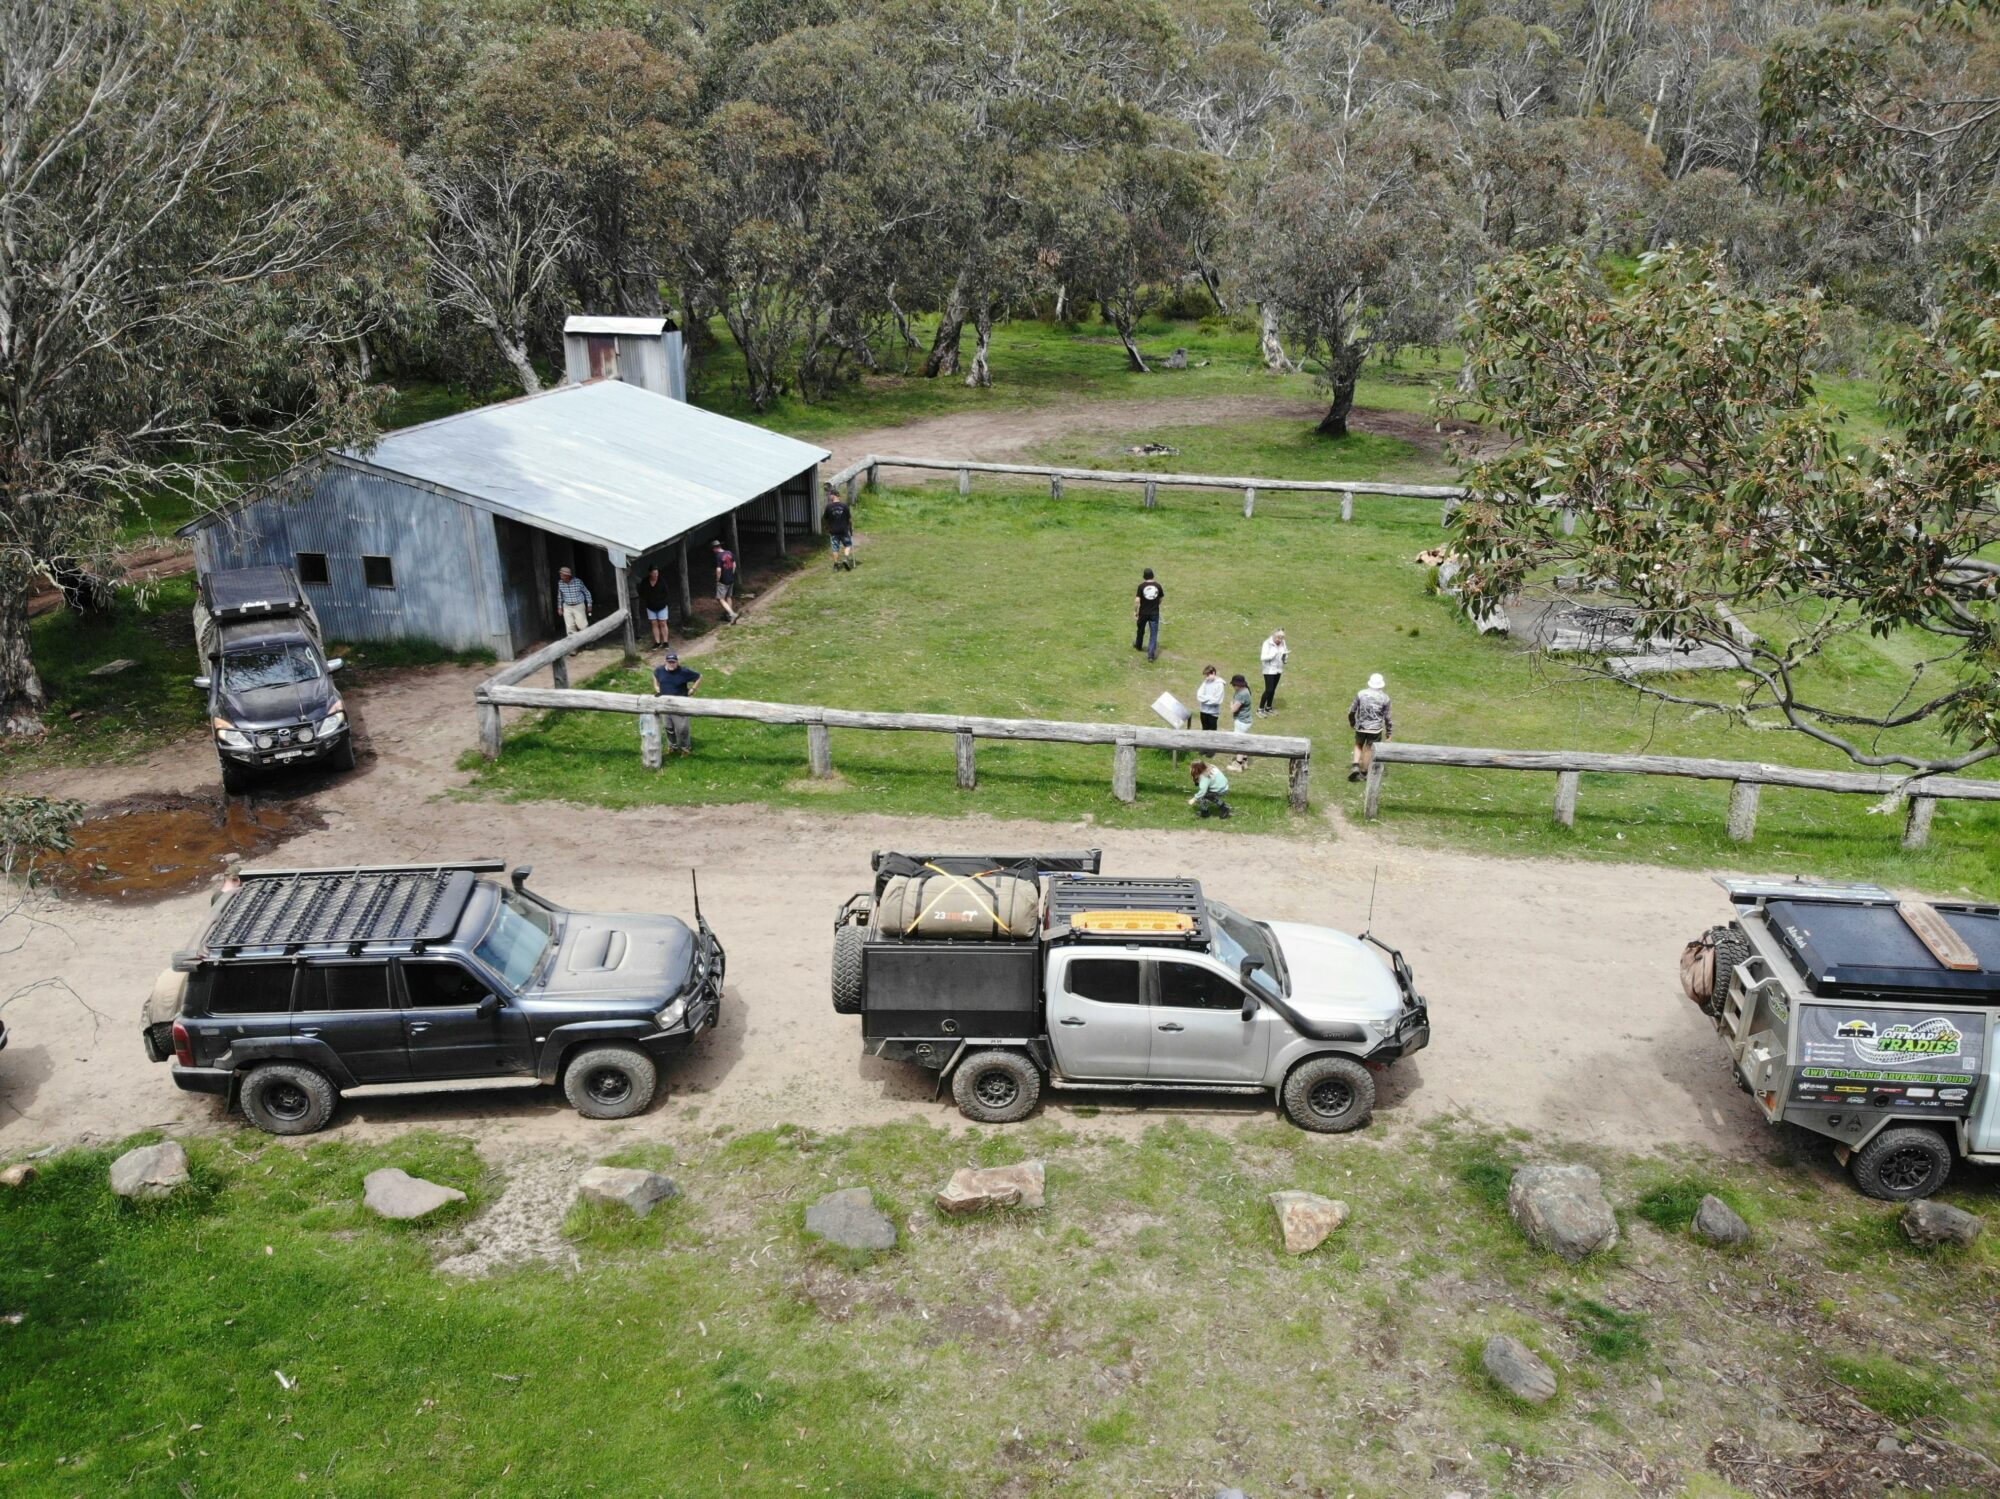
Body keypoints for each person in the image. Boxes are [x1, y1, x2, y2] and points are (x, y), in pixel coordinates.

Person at [652, 649, 702, 755]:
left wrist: (692, 690)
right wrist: (656, 687)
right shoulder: (660, 670)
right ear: (665, 661)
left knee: (682, 729)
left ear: (677, 662)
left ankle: (685, 748)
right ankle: (672, 746)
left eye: (673, 662)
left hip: (680, 705)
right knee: (668, 727)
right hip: (665, 704)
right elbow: (655, 675)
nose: (671, 664)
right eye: (669, 661)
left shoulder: (683, 672)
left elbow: (699, 677)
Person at [1348, 672, 1393, 781]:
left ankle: (1355, 765)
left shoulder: (1361, 694)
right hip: (1375, 729)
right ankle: (1364, 772)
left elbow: (1351, 711)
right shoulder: (1385, 698)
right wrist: (1389, 732)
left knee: (1358, 744)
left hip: (1361, 726)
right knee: (1369, 748)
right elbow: (1388, 717)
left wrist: (1352, 722)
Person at [1133, 568, 1164, 660]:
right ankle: (1151, 655)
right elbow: (1161, 598)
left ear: (1144, 576)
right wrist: (1156, 604)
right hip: (1154, 613)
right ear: (1153, 575)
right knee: (1153, 634)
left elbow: (1137, 600)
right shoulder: (1158, 586)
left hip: (1143, 612)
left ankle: (1138, 645)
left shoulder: (1141, 586)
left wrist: (1135, 611)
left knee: (1140, 630)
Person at [638, 566, 673, 646]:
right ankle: (657, 642)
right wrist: (647, 600)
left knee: (663, 623)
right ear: (650, 573)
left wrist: (663, 601)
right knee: (654, 623)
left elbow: (666, 592)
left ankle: (665, 641)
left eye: (657, 573)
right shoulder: (645, 581)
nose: (656, 575)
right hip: (650, 606)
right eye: (654, 573)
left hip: (661, 605)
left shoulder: (661, 580)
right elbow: (641, 592)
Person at [1257, 629, 1289, 716]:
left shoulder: (1283, 643)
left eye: (1282, 638)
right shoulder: (1267, 643)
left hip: (1278, 669)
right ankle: (1260, 709)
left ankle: (1268, 708)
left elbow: (1284, 654)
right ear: (1274, 636)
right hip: (1269, 670)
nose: (1280, 640)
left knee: (1273, 690)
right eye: (1278, 637)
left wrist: (1285, 657)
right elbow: (1263, 657)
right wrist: (1272, 654)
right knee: (1269, 689)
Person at [822, 491, 856, 570]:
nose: (830, 497)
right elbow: (849, 519)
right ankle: (846, 558)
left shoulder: (828, 507)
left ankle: (836, 565)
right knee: (848, 545)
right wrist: (851, 528)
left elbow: (825, 519)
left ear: (834, 496)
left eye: (830, 495)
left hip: (834, 531)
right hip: (844, 530)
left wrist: (827, 527)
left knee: (835, 548)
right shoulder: (845, 506)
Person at [1227, 672, 1253, 771]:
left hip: (1241, 722)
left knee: (1239, 743)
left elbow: (1233, 709)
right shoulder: (1246, 690)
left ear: (1238, 685)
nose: (1233, 687)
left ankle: (1237, 765)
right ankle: (1244, 761)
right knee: (1244, 741)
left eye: (1234, 685)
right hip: (1247, 721)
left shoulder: (1242, 694)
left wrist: (1231, 705)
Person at [555, 567, 592, 635]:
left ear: (567, 575)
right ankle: (573, 643)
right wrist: (559, 608)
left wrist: (589, 605)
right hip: (567, 606)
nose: (561, 576)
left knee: (582, 625)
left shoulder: (578, 582)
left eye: (562, 575)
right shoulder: (560, 583)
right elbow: (560, 596)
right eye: (560, 574)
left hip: (579, 605)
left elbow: (587, 593)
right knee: (570, 627)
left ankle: (587, 641)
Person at [709, 540, 739, 623]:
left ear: (715, 548)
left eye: (713, 549)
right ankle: (729, 616)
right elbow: (734, 565)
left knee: (720, 598)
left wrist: (717, 580)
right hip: (731, 578)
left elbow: (718, 570)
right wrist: (731, 573)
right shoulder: (729, 552)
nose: (713, 551)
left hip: (723, 580)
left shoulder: (718, 556)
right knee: (728, 596)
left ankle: (732, 614)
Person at [1194, 664, 1225, 731]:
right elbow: (1199, 695)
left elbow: (1217, 701)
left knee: (1212, 734)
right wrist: (1210, 698)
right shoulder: (1206, 682)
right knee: (1204, 731)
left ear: (1213, 673)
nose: (1206, 678)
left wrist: (1204, 699)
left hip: (1213, 714)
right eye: (1206, 676)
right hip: (1203, 712)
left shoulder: (1220, 685)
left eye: (1208, 675)